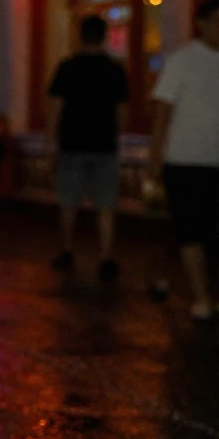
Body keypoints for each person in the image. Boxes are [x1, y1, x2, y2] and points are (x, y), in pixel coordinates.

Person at [150, 0, 219, 320]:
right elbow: (162, 110)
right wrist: (155, 154)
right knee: (190, 230)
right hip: (185, 159)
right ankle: (201, 297)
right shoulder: (182, 60)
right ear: (202, 24)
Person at [46, 15, 129, 282]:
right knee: (105, 205)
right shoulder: (115, 70)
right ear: (104, 37)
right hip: (104, 144)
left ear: (80, 36)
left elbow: (55, 107)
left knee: (68, 202)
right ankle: (106, 257)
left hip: (72, 143)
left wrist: (50, 142)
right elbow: (122, 111)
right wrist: (116, 134)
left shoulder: (67, 68)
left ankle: (67, 249)